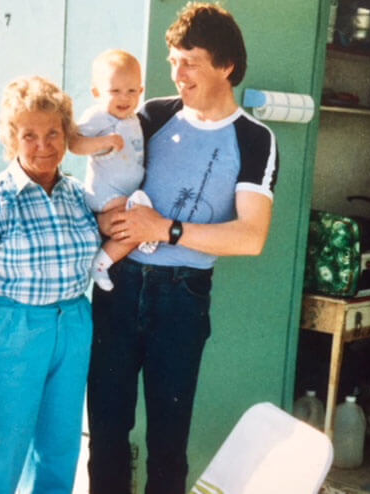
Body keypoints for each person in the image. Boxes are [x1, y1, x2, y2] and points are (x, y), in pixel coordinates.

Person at [86, 3, 279, 494]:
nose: (176, 73)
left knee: (168, 444)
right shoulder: (151, 116)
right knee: (106, 430)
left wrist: (165, 229)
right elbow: (104, 177)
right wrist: (107, 217)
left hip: (182, 298)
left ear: (226, 66)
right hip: (119, 287)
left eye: (189, 60)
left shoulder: (254, 139)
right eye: (172, 61)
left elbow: (250, 236)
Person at [0, 75, 101, 493]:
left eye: (53, 133)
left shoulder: (77, 196)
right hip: (12, 335)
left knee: (58, 453)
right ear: (11, 137)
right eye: (29, 135)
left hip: (73, 325)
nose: (44, 145)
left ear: (67, 135)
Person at [70, 49, 156, 292]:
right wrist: (103, 142)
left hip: (124, 192)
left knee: (137, 225)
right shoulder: (98, 116)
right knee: (134, 226)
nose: (124, 97)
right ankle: (101, 264)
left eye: (131, 91)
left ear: (141, 91)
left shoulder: (133, 118)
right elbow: (74, 143)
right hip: (107, 192)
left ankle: (133, 244)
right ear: (97, 92)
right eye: (115, 91)